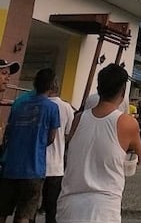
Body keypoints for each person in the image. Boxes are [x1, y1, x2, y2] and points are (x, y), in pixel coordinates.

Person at [57, 64, 141, 223]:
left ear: (98, 88)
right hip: (103, 206)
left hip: (69, 204)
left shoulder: (78, 118)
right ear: (123, 91)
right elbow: (139, 155)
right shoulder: (127, 122)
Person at [0, 68, 60, 223]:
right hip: (34, 168)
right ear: (52, 85)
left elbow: (9, 131)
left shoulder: (19, 102)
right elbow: (51, 138)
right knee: (24, 215)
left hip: (11, 166)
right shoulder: (52, 108)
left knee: (2, 210)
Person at [41, 77, 75, 223]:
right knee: (52, 206)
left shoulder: (39, 104)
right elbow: (70, 133)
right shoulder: (66, 107)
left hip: (35, 163)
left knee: (28, 207)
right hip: (55, 165)